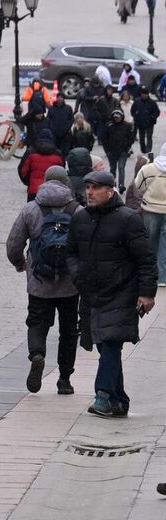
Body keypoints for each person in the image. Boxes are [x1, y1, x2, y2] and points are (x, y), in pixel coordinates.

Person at [71, 169, 155, 417]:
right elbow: (70, 252)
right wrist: (78, 274)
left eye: (96, 188)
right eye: (88, 187)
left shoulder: (128, 219)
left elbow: (145, 259)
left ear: (110, 191)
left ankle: (103, 396)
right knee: (105, 345)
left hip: (121, 292)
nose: (90, 192)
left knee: (110, 343)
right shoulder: (81, 218)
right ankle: (119, 400)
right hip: (91, 293)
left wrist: (147, 293)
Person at [7, 164, 80, 396]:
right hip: (70, 283)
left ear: (45, 182)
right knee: (69, 331)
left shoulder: (31, 209)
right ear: (66, 183)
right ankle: (64, 380)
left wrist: (19, 262)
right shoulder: (78, 210)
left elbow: (14, 243)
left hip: (39, 281)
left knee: (37, 323)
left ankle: (37, 354)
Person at [130, 152, 166, 290]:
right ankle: (163, 276)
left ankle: (149, 275)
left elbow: (138, 186)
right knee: (164, 244)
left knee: (149, 243)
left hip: (151, 209)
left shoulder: (149, 169)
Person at [21, 130, 64, 200]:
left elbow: (23, 171)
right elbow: (61, 172)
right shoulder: (58, 154)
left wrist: (28, 182)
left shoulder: (31, 152)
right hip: (52, 190)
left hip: (34, 189)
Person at [104, 110, 137, 188]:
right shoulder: (109, 126)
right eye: (115, 118)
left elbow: (131, 138)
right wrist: (107, 150)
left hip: (123, 151)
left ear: (122, 117)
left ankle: (121, 184)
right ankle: (112, 183)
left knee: (121, 167)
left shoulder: (127, 126)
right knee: (113, 168)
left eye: (118, 118)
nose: (117, 119)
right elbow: (104, 139)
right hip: (111, 151)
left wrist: (127, 148)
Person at [134, 87, 160, 158]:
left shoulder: (152, 102)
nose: (145, 95)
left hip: (150, 123)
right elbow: (133, 110)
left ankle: (148, 151)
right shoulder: (137, 101)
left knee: (149, 137)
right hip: (140, 122)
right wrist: (136, 117)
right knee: (141, 138)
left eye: (146, 94)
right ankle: (143, 150)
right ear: (141, 94)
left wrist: (152, 117)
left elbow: (157, 112)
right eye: (143, 94)